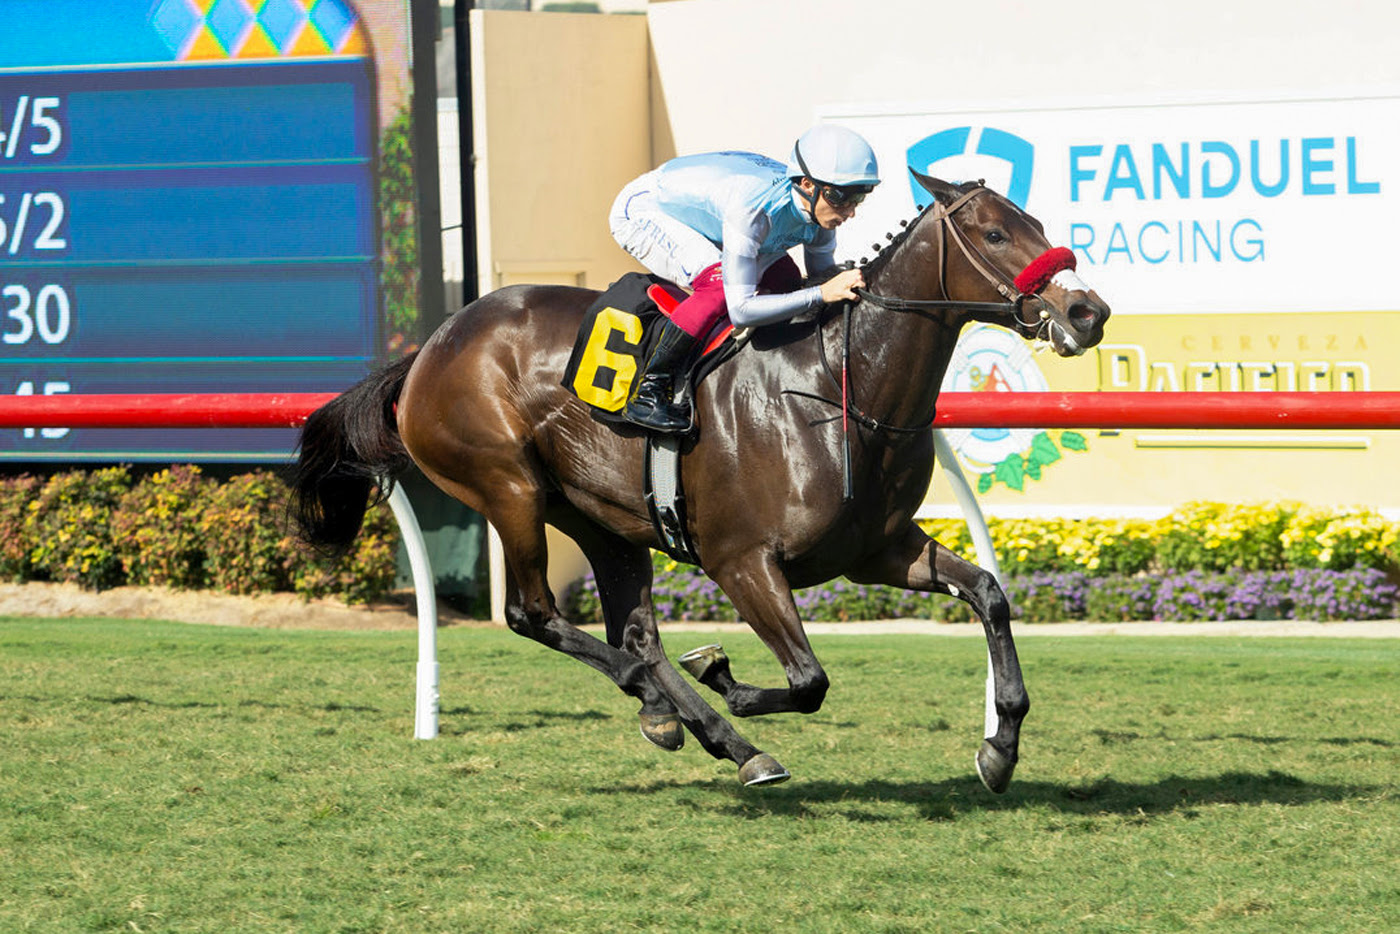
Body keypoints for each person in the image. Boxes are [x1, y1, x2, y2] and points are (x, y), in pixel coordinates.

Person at [608, 123, 880, 433]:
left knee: (787, 280)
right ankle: (649, 391)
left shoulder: (820, 211)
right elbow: (741, 309)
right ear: (807, 185)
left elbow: (822, 278)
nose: (850, 212)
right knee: (717, 287)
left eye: (859, 197)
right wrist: (821, 293)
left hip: (714, 210)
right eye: (842, 197)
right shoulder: (754, 211)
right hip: (644, 209)